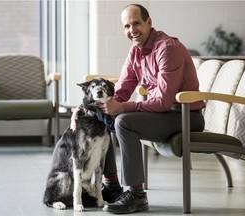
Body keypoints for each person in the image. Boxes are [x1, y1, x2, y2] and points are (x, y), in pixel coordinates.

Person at [71, 3, 205, 214]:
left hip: (185, 116)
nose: (132, 30)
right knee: (106, 115)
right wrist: (86, 108)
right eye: (126, 26)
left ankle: (137, 195)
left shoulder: (168, 49)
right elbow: (121, 92)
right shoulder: (135, 53)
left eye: (136, 24)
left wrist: (121, 107)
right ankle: (113, 186)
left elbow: (162, 101)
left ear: (149, 22)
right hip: (163, 115)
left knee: (124, 121)